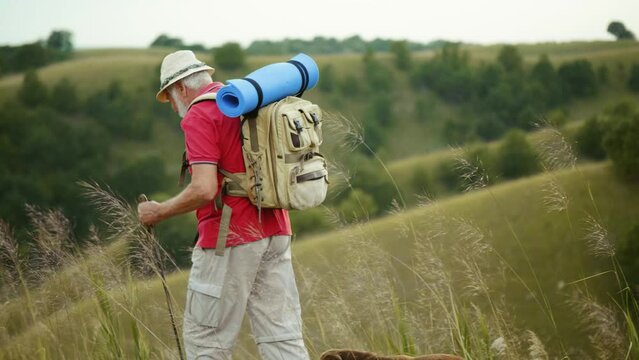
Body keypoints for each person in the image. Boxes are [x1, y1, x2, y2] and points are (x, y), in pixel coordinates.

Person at [138, 50, 310, 360]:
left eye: (170, 96)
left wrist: (159, 211)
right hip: (276, 229)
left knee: (206, 341)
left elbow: (205, 189)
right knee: (282, 335)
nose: (173, 105)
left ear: (179, 88)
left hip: (229, 237)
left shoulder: (199, 115)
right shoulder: (244, 101)